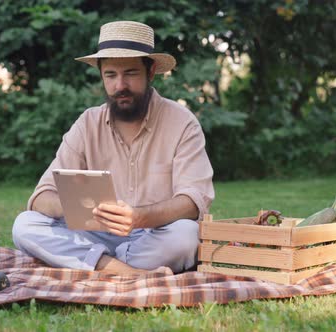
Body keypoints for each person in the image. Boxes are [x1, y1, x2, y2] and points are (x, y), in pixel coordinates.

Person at [12, 21, 214, 276]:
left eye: (130, 73)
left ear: (150, 72)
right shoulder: (87, 123)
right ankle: (125, 271)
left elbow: (193, 201)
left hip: (153, 236)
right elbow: (41, 197)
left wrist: (139, 217)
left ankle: (95, 264)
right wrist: (80, 208)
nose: (120, 85)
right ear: (101, 75)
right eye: (110, 75)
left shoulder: (182, 122)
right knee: (25, 225)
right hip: (96, 235)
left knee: (187, 235)